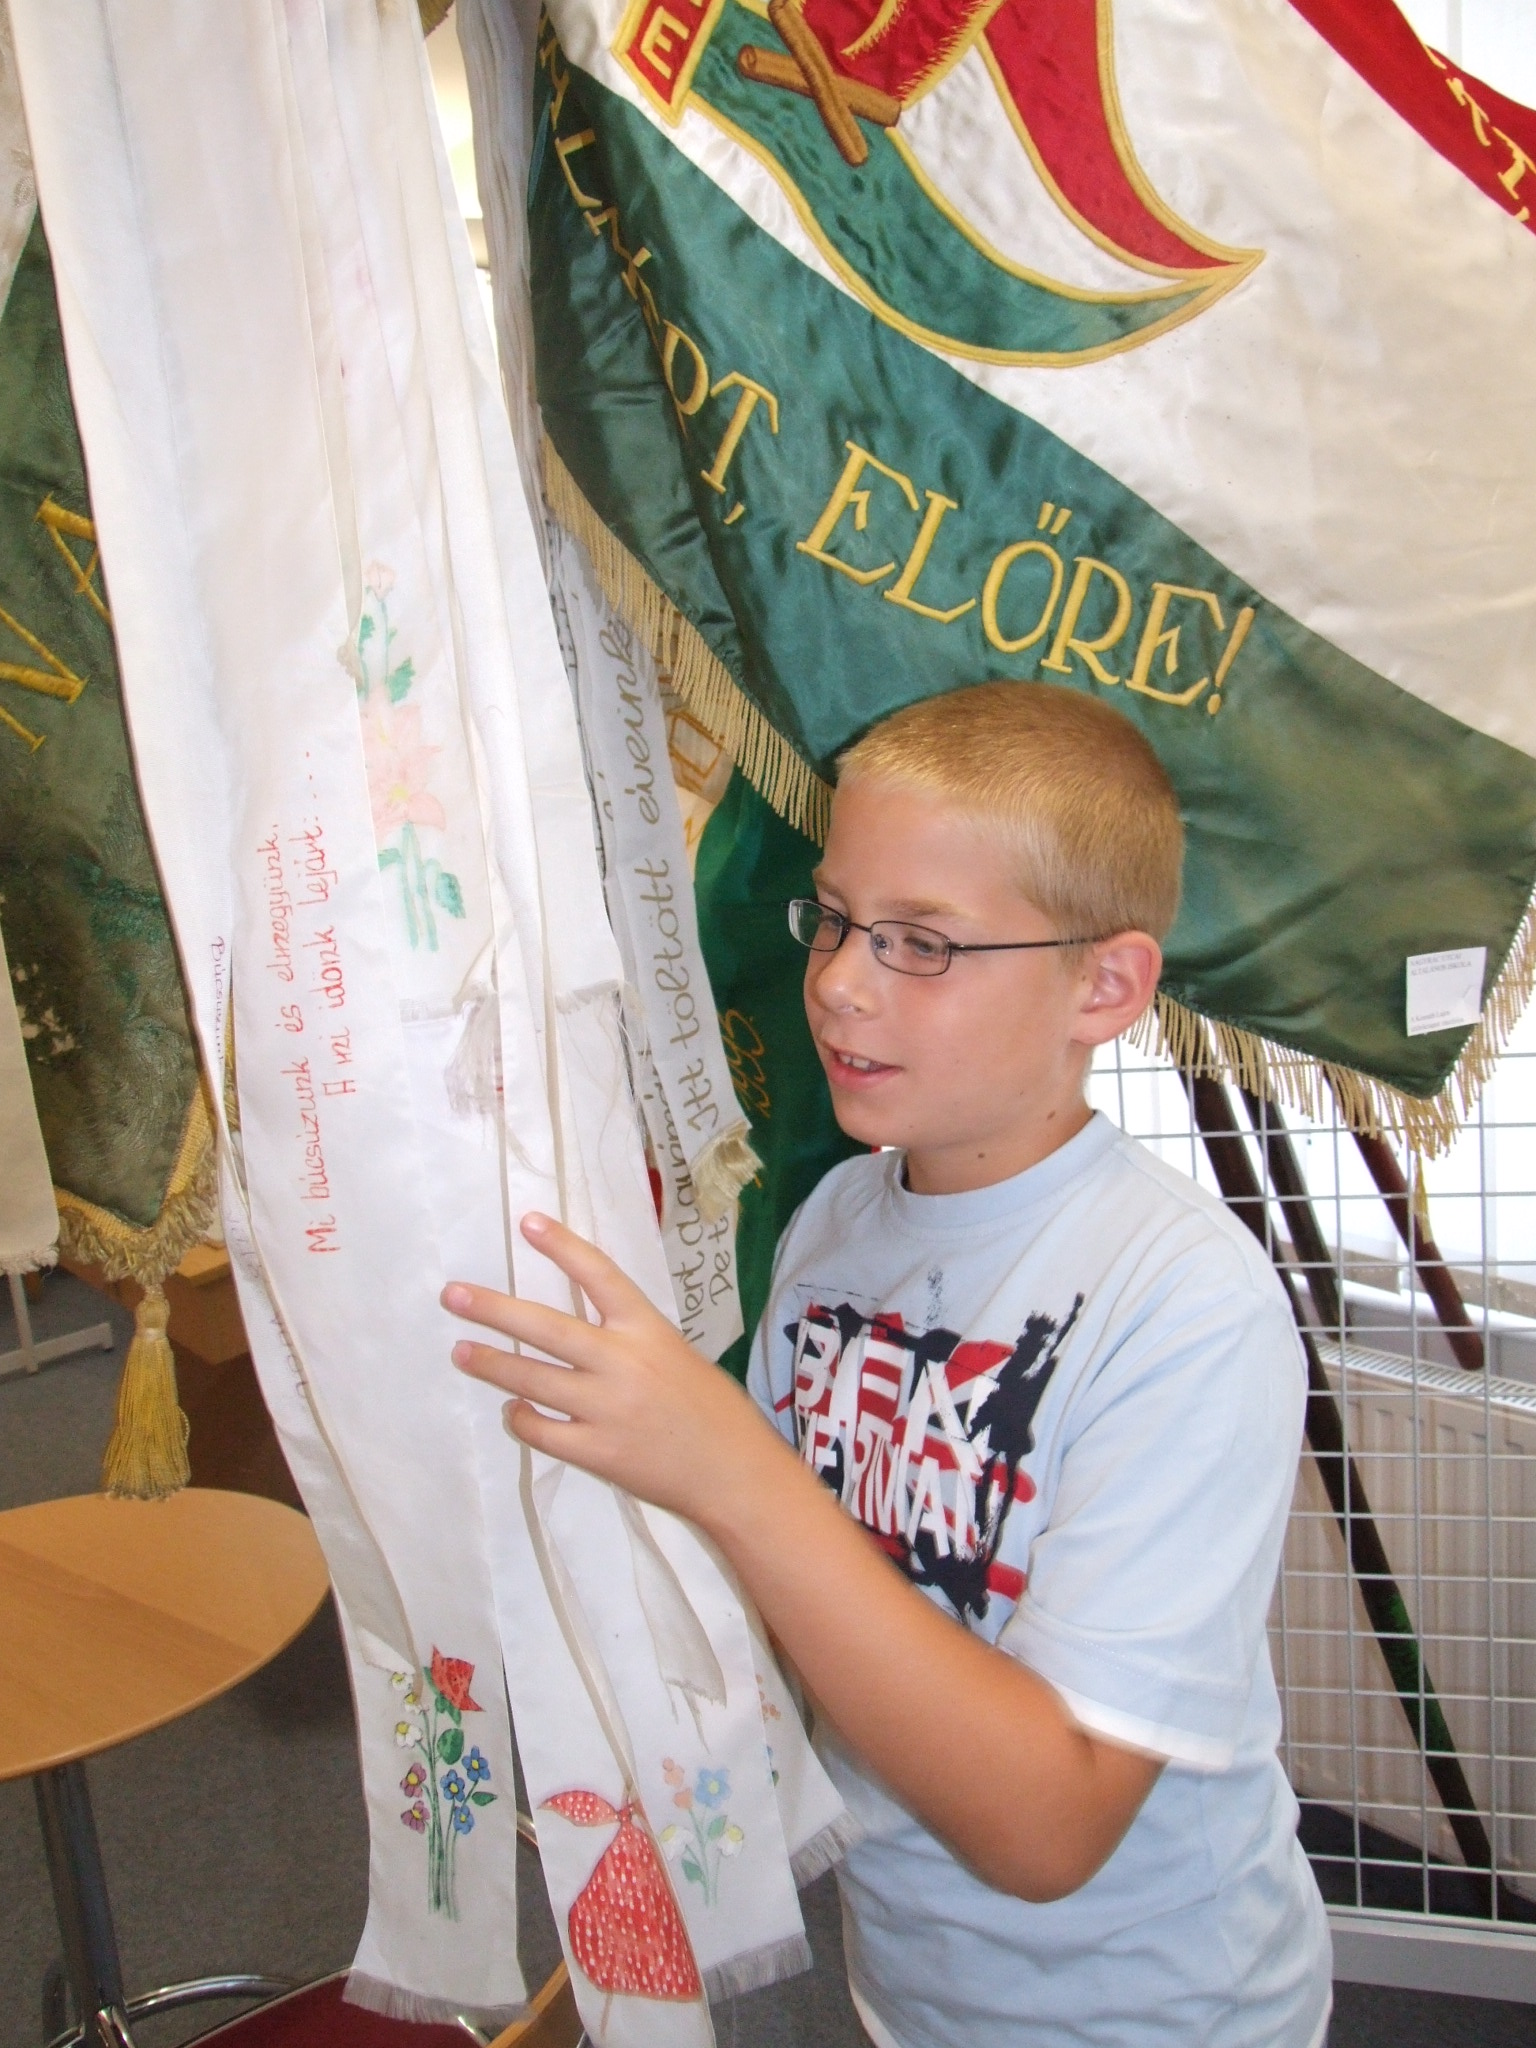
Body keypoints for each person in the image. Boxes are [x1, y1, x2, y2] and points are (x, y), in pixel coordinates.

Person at [443, 681, 1332, 2048]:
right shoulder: (838, 1222)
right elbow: (801, 1582)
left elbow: (1049, 1827)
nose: (840, 982)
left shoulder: (1185, 1306)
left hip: (1162, 2014)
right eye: (837, 919)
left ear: (1104, 987)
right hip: (914, 1987)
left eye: (922, 943)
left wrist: (729, 1472)